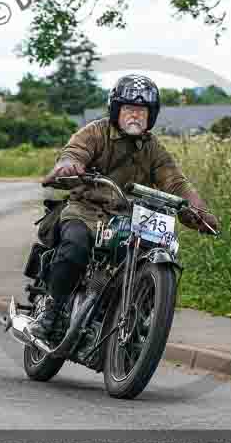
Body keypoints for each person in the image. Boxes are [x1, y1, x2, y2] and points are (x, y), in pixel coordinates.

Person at [27, 74, 220, 339]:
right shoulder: (95, 132)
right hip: (87, 209)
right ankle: (52, 311)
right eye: (129, 109)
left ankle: (136, 319)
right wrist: (68, 167)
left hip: (129, 219)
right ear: (116, 110)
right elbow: (73, 153)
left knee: (151, 255)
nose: (135, 116)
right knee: (75, 245)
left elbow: (176, 183)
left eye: (141, 111)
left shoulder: (154, 149)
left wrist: (198, 211)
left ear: (150, 116)